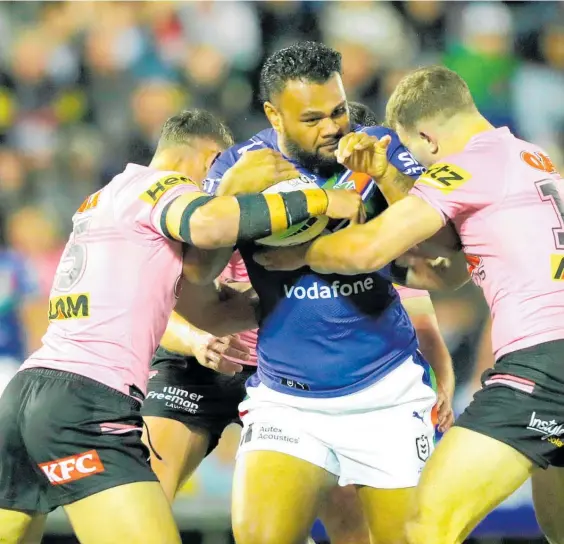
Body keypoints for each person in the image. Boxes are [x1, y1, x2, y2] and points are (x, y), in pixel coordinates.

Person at [0, 108, 361, 544]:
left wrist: (292, 289)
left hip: (26, 394)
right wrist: (317, 201)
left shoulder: (106, 196)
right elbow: (209, 223)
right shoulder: (164, 187)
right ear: (211, 160)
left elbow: (208, 309)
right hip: (85, 403)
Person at [141, 101, 454, 544]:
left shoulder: (363, 214)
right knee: (147, 492)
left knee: (347, 519)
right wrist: (194, 340)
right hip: (202, 367)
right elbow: (161, 302)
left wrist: (441, 371)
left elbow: (415, 296)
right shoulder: (224, 201)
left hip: (290, 372)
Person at [285, 65, 564, 544]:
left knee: (426, 524)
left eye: (414, 155)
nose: (420, 174)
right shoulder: (530, 155)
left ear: (428, 140)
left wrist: (287, 254)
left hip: (545, 363)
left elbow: (366, 250)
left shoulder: (468, 166)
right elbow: (445, 253)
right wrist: (387, 175)